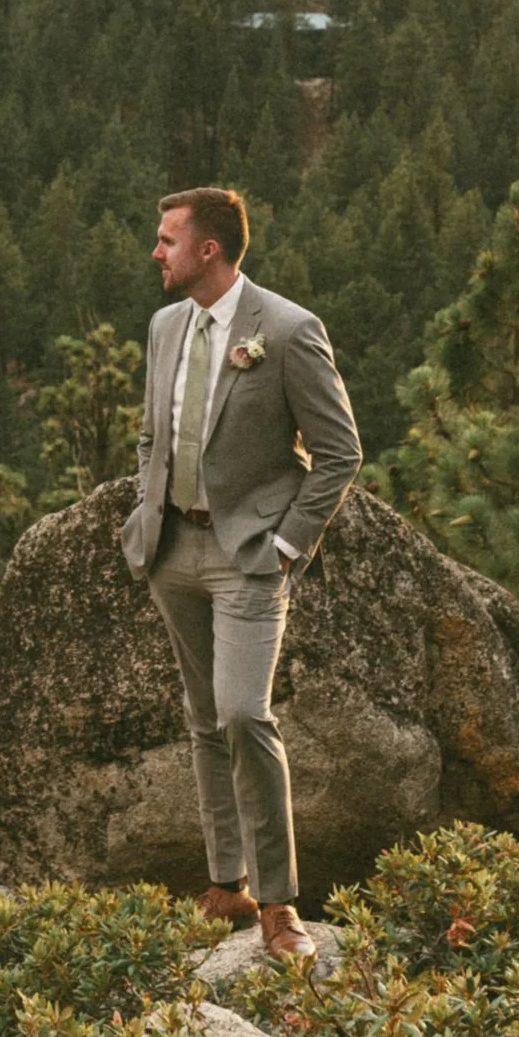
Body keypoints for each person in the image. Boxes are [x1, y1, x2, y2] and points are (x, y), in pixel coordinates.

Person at [122, 184, 361, 961]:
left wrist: (288, 545)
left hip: (248, 556)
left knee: (243, 716)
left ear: (208, 250)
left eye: (167, 239)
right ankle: (226, 882)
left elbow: (339, 453)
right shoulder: (164, 326)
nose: (155, 252)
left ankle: (280, 902)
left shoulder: (288, 331)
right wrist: (143, 511)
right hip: (171, 552)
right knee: (201, 718)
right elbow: (154, 434)